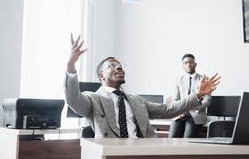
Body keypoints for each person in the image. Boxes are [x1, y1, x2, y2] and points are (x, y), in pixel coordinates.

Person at [64, 35, 220, 138]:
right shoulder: (93, 99)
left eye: (120, 65)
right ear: (101, 76)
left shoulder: (137, 101)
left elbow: (170, 109)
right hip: (112, 153)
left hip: (143, 151)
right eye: (112, 65)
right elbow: (73, 100)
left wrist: (198, 93)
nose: (119, 67)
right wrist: (71, 66)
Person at [169, 54, 211, 138]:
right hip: (180, 114)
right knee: (172, 137)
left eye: (191, 62)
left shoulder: (204, 79)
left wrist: (193, 107)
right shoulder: (178, 80)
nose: (188, 64)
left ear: (195, 64)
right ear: (183, 65)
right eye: (186, 63)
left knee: (187, 138)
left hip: (196, 114)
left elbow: (207, 100)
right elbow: (175, 99)